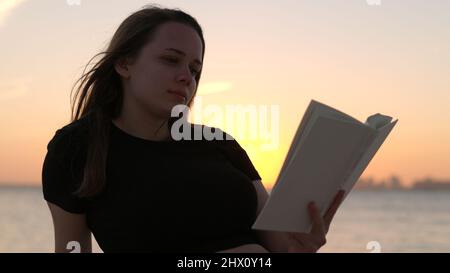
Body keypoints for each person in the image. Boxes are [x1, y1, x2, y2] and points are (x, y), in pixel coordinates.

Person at [42, 5, 344, 253]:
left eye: (195, 69)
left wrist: (300, 245)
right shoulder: (77, 148)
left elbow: (280, 247)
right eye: (171, 60)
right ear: (124, 64)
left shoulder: (219, 144)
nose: (187, 77)